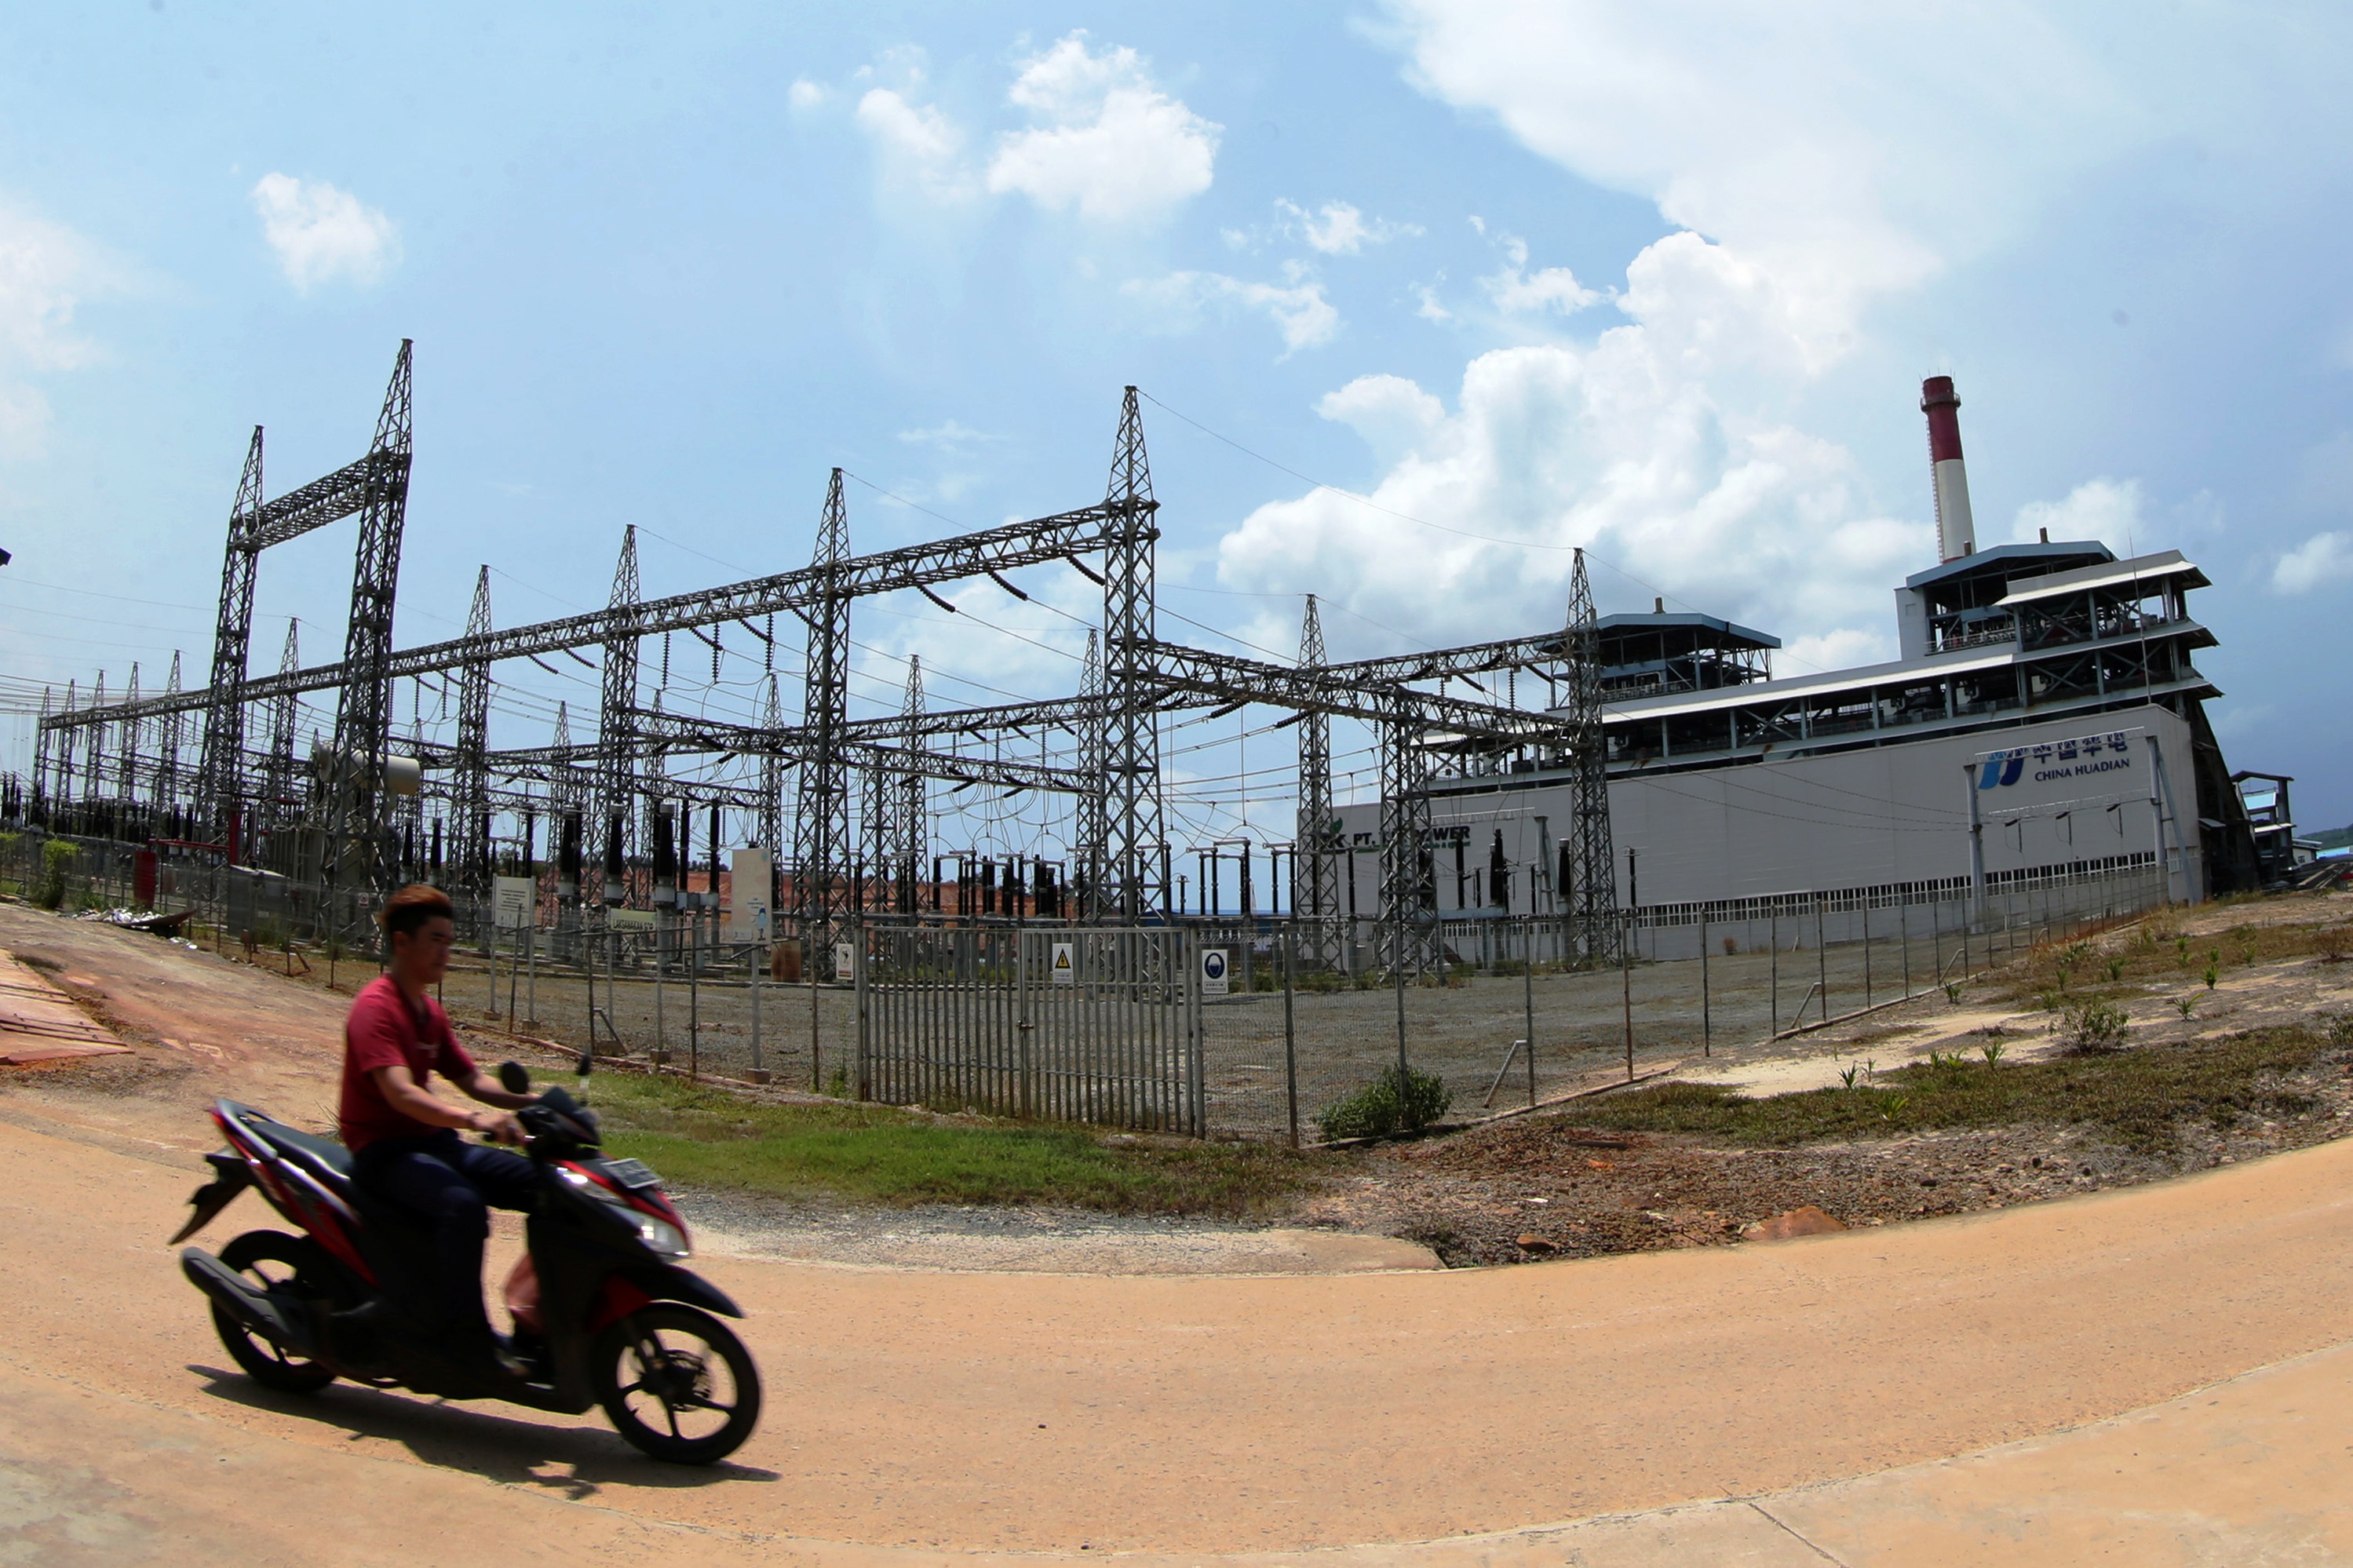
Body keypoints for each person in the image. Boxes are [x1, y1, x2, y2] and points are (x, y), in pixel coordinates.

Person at [338, 883, 541, 1378]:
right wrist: (474, 1120)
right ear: (402, 942)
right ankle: (463, 1338)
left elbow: (471, 1079)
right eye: (436, 940)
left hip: (431, 1144)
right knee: (462, 1206)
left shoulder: (429, 1012)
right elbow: (401, 1094)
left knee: (549, 1187)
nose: (446, 952)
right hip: (384, 1152)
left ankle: (538, 1325)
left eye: (449, 941)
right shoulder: (376, 1008)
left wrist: (537, 1103)